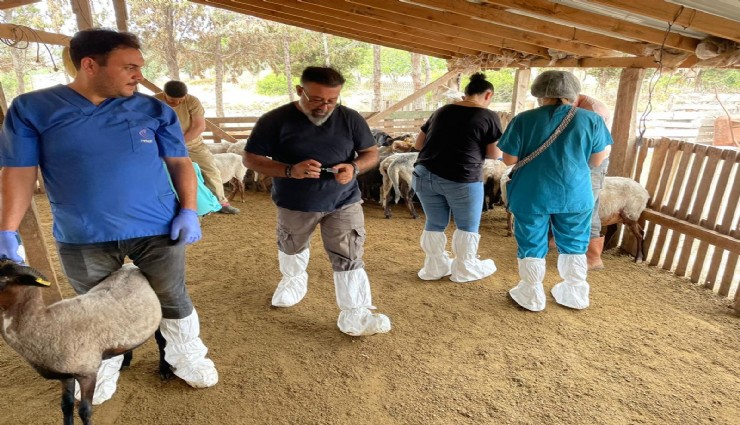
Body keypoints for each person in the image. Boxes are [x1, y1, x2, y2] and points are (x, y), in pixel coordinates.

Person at [0, 28, 218, 404]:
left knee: (171, 295)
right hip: (83, 231)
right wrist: (7, 229)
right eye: (129, 67)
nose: (138, 75)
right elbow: (19, 170)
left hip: (158, 226)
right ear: (89, 64)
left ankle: (187, 357)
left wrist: (189, 210)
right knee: (94, 304)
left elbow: (180, 162)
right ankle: (102, 366)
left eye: (139, 67)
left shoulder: (153, 109)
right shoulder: (32, 108)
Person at [244, 66, 390, 336]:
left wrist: (354, 168)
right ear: (300, 91)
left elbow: (370, 152)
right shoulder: (275, 120)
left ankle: (355, 315)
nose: (325, 106)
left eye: (332, 100)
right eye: (317, 99)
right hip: (295, 201)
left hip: (343, 199)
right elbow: (251, 159)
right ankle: (294, 280)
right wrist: (290, 170)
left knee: (349, 253)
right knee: (292, 245)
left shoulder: (350, 118)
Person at [497, 70, 612, 312]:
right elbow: (599, 159)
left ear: (539, 93)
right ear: (573, 94)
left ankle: (531, 294)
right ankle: (574, 293)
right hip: (575, 193)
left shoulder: (523, 119)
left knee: (530, 241)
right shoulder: (592, 120)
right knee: (574, 242)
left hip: (531, 192)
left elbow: (508, 159)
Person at [412, 72, 503, 283]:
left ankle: (434, 268)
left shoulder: (442, 110)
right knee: (467, 226)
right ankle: (464, 269)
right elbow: (495, 154)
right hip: (462, 178)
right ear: (488, 94)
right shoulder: (488, 116)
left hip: (424, 174)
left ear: (466, 93)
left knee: (434, 223)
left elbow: (418, 144)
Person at [154, 80, 239, 214]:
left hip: (193, 145)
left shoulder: (192, 101)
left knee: (211, 170)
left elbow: (199, 126)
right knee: (160, 173)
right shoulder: (154, 101)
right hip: (164, 145)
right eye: (172, 100)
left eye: (180, 100)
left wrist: (180, 143)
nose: (176, 103)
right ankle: (166, 205)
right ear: (164, 94)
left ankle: (220, 202)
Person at [574, 94, 612, 270]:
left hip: (593, 162)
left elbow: (597, 148)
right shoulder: (580, 105)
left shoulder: (593, 110)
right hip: (583, 160)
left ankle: (593, 257)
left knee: (588, 206)